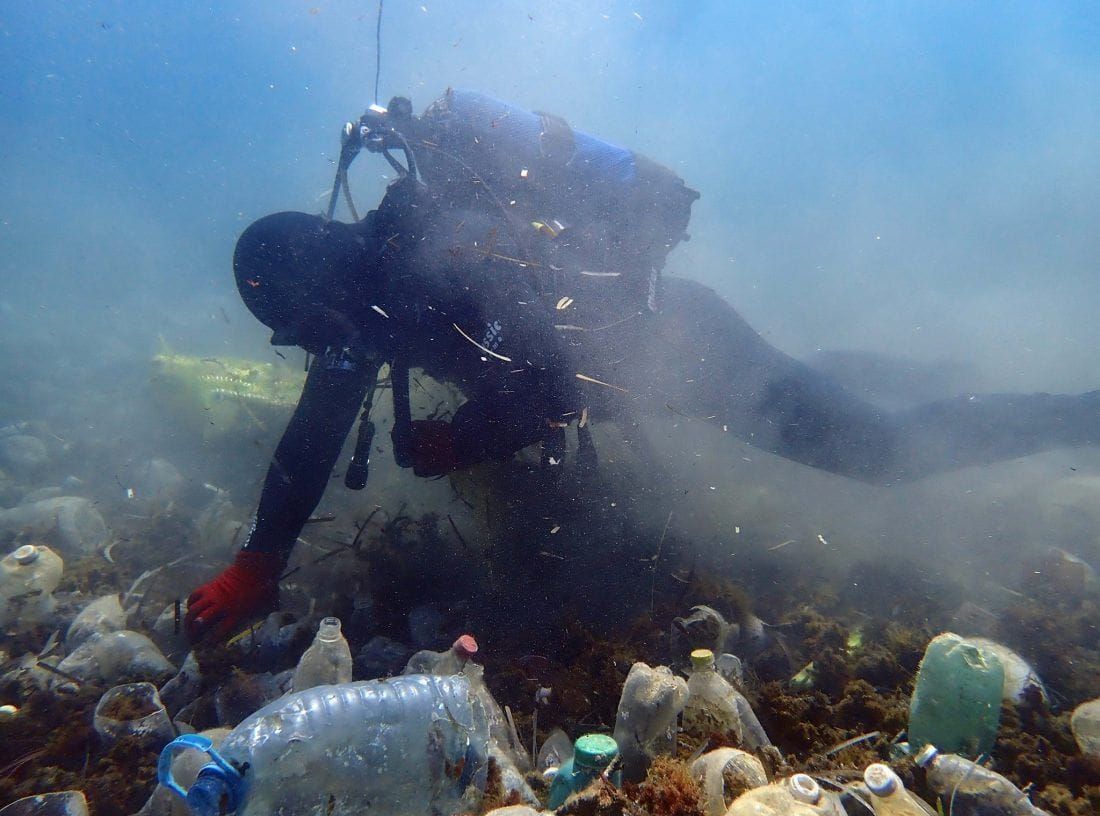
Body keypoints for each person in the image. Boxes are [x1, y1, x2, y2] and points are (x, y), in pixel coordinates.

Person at [185, 91, 1100, 642]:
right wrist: (258, 560)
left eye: (298, 324)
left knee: (882, 452)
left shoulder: (444, 251)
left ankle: (1080, 413)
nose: (309, 348)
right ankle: (928, 372)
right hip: (652, 373)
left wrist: (463, 439)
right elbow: (313, 433)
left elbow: (548, 380)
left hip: (690, 356)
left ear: (320, 281)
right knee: (812, 385)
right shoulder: (370, 302)